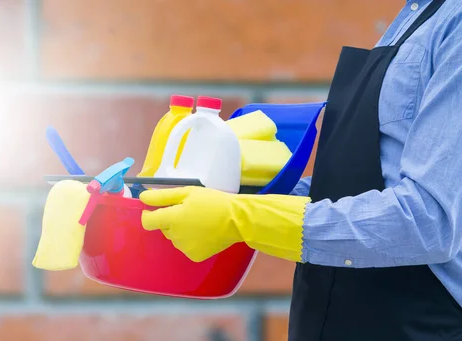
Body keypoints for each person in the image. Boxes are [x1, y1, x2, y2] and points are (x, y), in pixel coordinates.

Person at [139, 1, 462, 340]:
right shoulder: (418, 15)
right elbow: (369, 186)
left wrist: (245, 217)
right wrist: (242, 192)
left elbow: (429, 220)